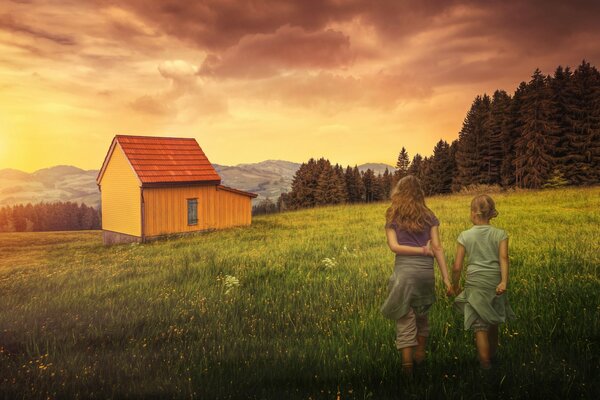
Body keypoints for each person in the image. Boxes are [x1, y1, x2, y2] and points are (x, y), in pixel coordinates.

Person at [381, 175, 452, 375]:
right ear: (420, 193)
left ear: (399, 193)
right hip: (425, 274)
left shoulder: (392, 215)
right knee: (422, 317)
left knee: (405, 319)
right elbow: (437, 248)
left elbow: (394, 247)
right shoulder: (430, 216)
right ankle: (420, 356)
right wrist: (446, 278)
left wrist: (420, 250)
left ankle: (407, 369)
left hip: (405, 274)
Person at [452, 194, 516, 370]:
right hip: (494, 282)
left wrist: (455, 285)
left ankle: (485, 364)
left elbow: (457, 266)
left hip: (475, 283)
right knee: (493, 322)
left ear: (473, 213)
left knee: (480, 325)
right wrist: (504, 282)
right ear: (490, 213)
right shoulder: (500, 234)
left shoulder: (465, 236)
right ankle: (493, 357)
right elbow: (504, 258)